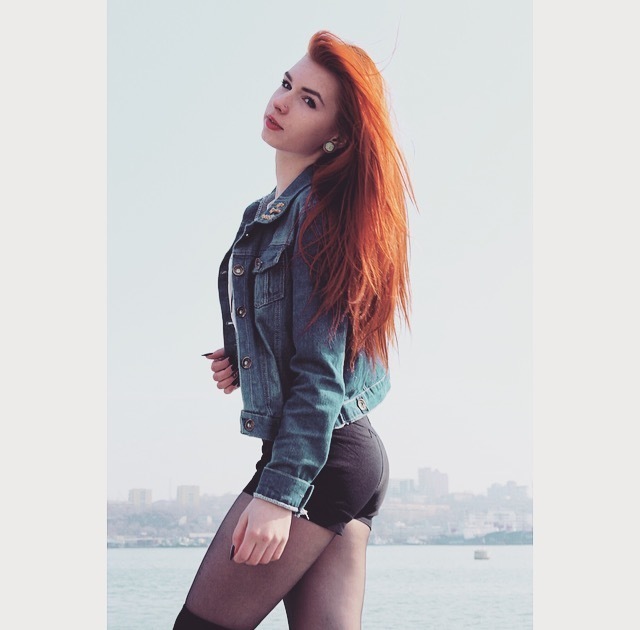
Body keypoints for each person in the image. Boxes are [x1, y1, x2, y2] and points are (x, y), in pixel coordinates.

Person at [173, 30, 414, 630]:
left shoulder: (317, 218)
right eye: (287, 84)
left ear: (337, 135)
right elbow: (308, 339)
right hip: (340, 455)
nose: (282, 101)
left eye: (309, 100)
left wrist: (279, 497)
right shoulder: (264, 213)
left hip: (320, 459)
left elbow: (322, 374)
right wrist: (245, 358)